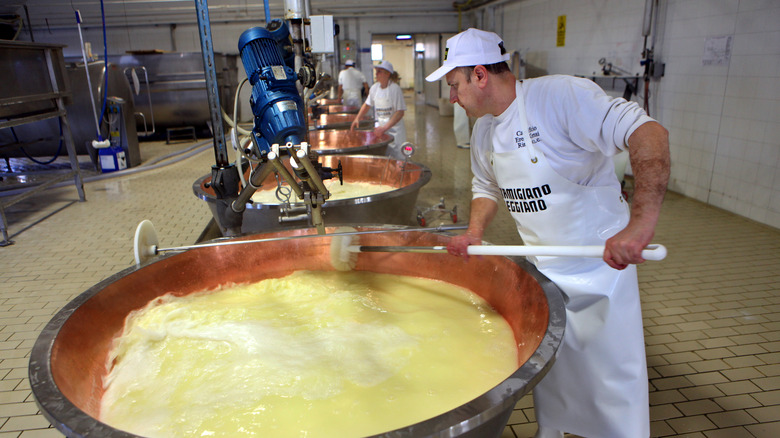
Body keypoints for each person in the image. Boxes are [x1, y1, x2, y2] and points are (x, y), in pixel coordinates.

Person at [426, 28, 670, 438]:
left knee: (611, 379)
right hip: (547, 274)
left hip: (602, 271)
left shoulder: (562, 97)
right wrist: (473, 232)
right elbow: (485, 187)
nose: (452, 97)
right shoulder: (485, 129)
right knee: (554, 377)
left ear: (480, 75)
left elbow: (649, 134)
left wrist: (639, 226)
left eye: (454, 85)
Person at [351, 60, 407, 160]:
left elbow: (400, 113)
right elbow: (367, 105)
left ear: (388, 73)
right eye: (376, 71)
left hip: (395, 132)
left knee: (397, 159)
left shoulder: (395, 89)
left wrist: (384, 128)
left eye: (379, 71)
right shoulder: (374, 88)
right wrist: (357, 118)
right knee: (384, 158)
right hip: (380, 130)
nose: (376, 74)